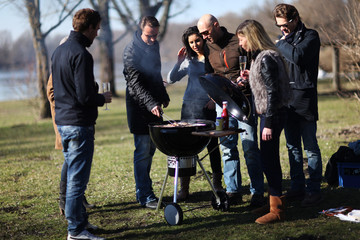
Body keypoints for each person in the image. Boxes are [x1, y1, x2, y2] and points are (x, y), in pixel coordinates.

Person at [52, 8, 111, 240]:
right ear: (88, 27)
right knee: (77, 180)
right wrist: (101, 98)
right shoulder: (82, 55)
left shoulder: (58, 51)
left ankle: (80, 222)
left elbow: (64, 88)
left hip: (63, 121)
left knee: (72, 175)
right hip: (78, 123)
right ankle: (75, 231)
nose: (97, 33)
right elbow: (85, 96)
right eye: (96, 28)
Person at [197, 14, 265, 207]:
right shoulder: (207, 47)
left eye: (206, 32)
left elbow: (254, 66)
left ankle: (257, 192)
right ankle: (233, 191)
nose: (204, 37)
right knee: (227, 147)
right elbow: (208, 75)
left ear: (216, 25)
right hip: (222, 105)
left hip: (245, 100)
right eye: (201, 34)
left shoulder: (239, 41)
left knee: (250, 147)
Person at [237, 19, 290, 224]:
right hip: (270, 113)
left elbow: (273, 92)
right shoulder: (263, 56)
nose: (241, 44)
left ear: (251, 36)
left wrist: (267, 123)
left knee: (269, 160)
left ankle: (277, 210)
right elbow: (267, 82)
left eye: (242, 39)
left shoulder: (266, 57)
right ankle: (273, 203)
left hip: (272, 115)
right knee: (268, 159)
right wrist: (252, 75)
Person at [274, 3, 323, 207]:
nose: (282, 29)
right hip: (287, 100)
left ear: (295, 19)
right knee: (292, 147)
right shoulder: (284, 39)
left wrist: (280, 43)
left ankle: (313, 190)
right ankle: (296, 188)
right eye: (279, 26)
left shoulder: (311, 36)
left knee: (310, 147)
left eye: (284, 25)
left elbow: (298, 57)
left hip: (305, 99)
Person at [167, 26, 223, 200]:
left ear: (203, 39)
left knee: (213, 147)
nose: (195, 45)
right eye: (191, 42)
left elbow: (221, 81)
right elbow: (170, 79)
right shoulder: (188, 60)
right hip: (188, 106)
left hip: (207, 108)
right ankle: (184, 188)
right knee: (186, 148)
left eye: (197, 40)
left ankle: (217, 185)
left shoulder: (213, 57)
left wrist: (214, 101)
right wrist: (178, 62)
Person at [123, 16, 170, 209]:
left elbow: (155, 74)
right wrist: (151, 102)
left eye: (155, 36)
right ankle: (144, 195)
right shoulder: (131, 51)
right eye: (149, 36)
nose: (152, 40)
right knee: (142, 151)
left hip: (153, 106)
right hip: (138, 107)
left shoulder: (154, 45)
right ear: (140, 31)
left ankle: (145, 190)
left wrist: (163, 95)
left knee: (151, 150)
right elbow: (135, 83)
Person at [47, 37, 95, 217]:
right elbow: (51, 92)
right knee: (70, 162)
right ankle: (64, 200)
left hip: (73, 119)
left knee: (74, 163)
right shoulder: (59, 67)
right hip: (67, 120)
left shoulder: (72, 63)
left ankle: (77, 199)